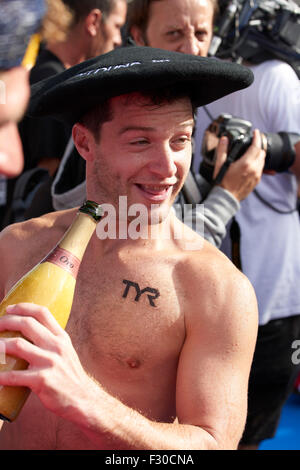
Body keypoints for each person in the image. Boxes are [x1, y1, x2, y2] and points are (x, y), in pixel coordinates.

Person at [0, 46, 258, 450]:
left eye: (181, 140)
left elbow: (211, 444)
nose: (167, 166)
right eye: (141, 141)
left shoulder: (215, 288)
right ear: (85, 144)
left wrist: (87, 401)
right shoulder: (15, 246)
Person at [192, 1, 300, 449]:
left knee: (205, 426)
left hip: (210, 287)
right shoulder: (277, 78)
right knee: (245, 435)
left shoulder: (201, 80)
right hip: (274, 289)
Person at [126, 0, 266, 248]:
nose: (192, 48)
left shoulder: (182, 103)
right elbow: (155, 255)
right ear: (139, 36)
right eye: (174, 34)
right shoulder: (116, 117)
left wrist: (208, 180)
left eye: (201, 34)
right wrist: (227, 194)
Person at [2, 0, 127, 228]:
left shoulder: (42, 73)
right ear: (94, 21)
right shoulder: (53, 85)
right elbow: (49, 180)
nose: (119, 39)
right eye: (117, 25)